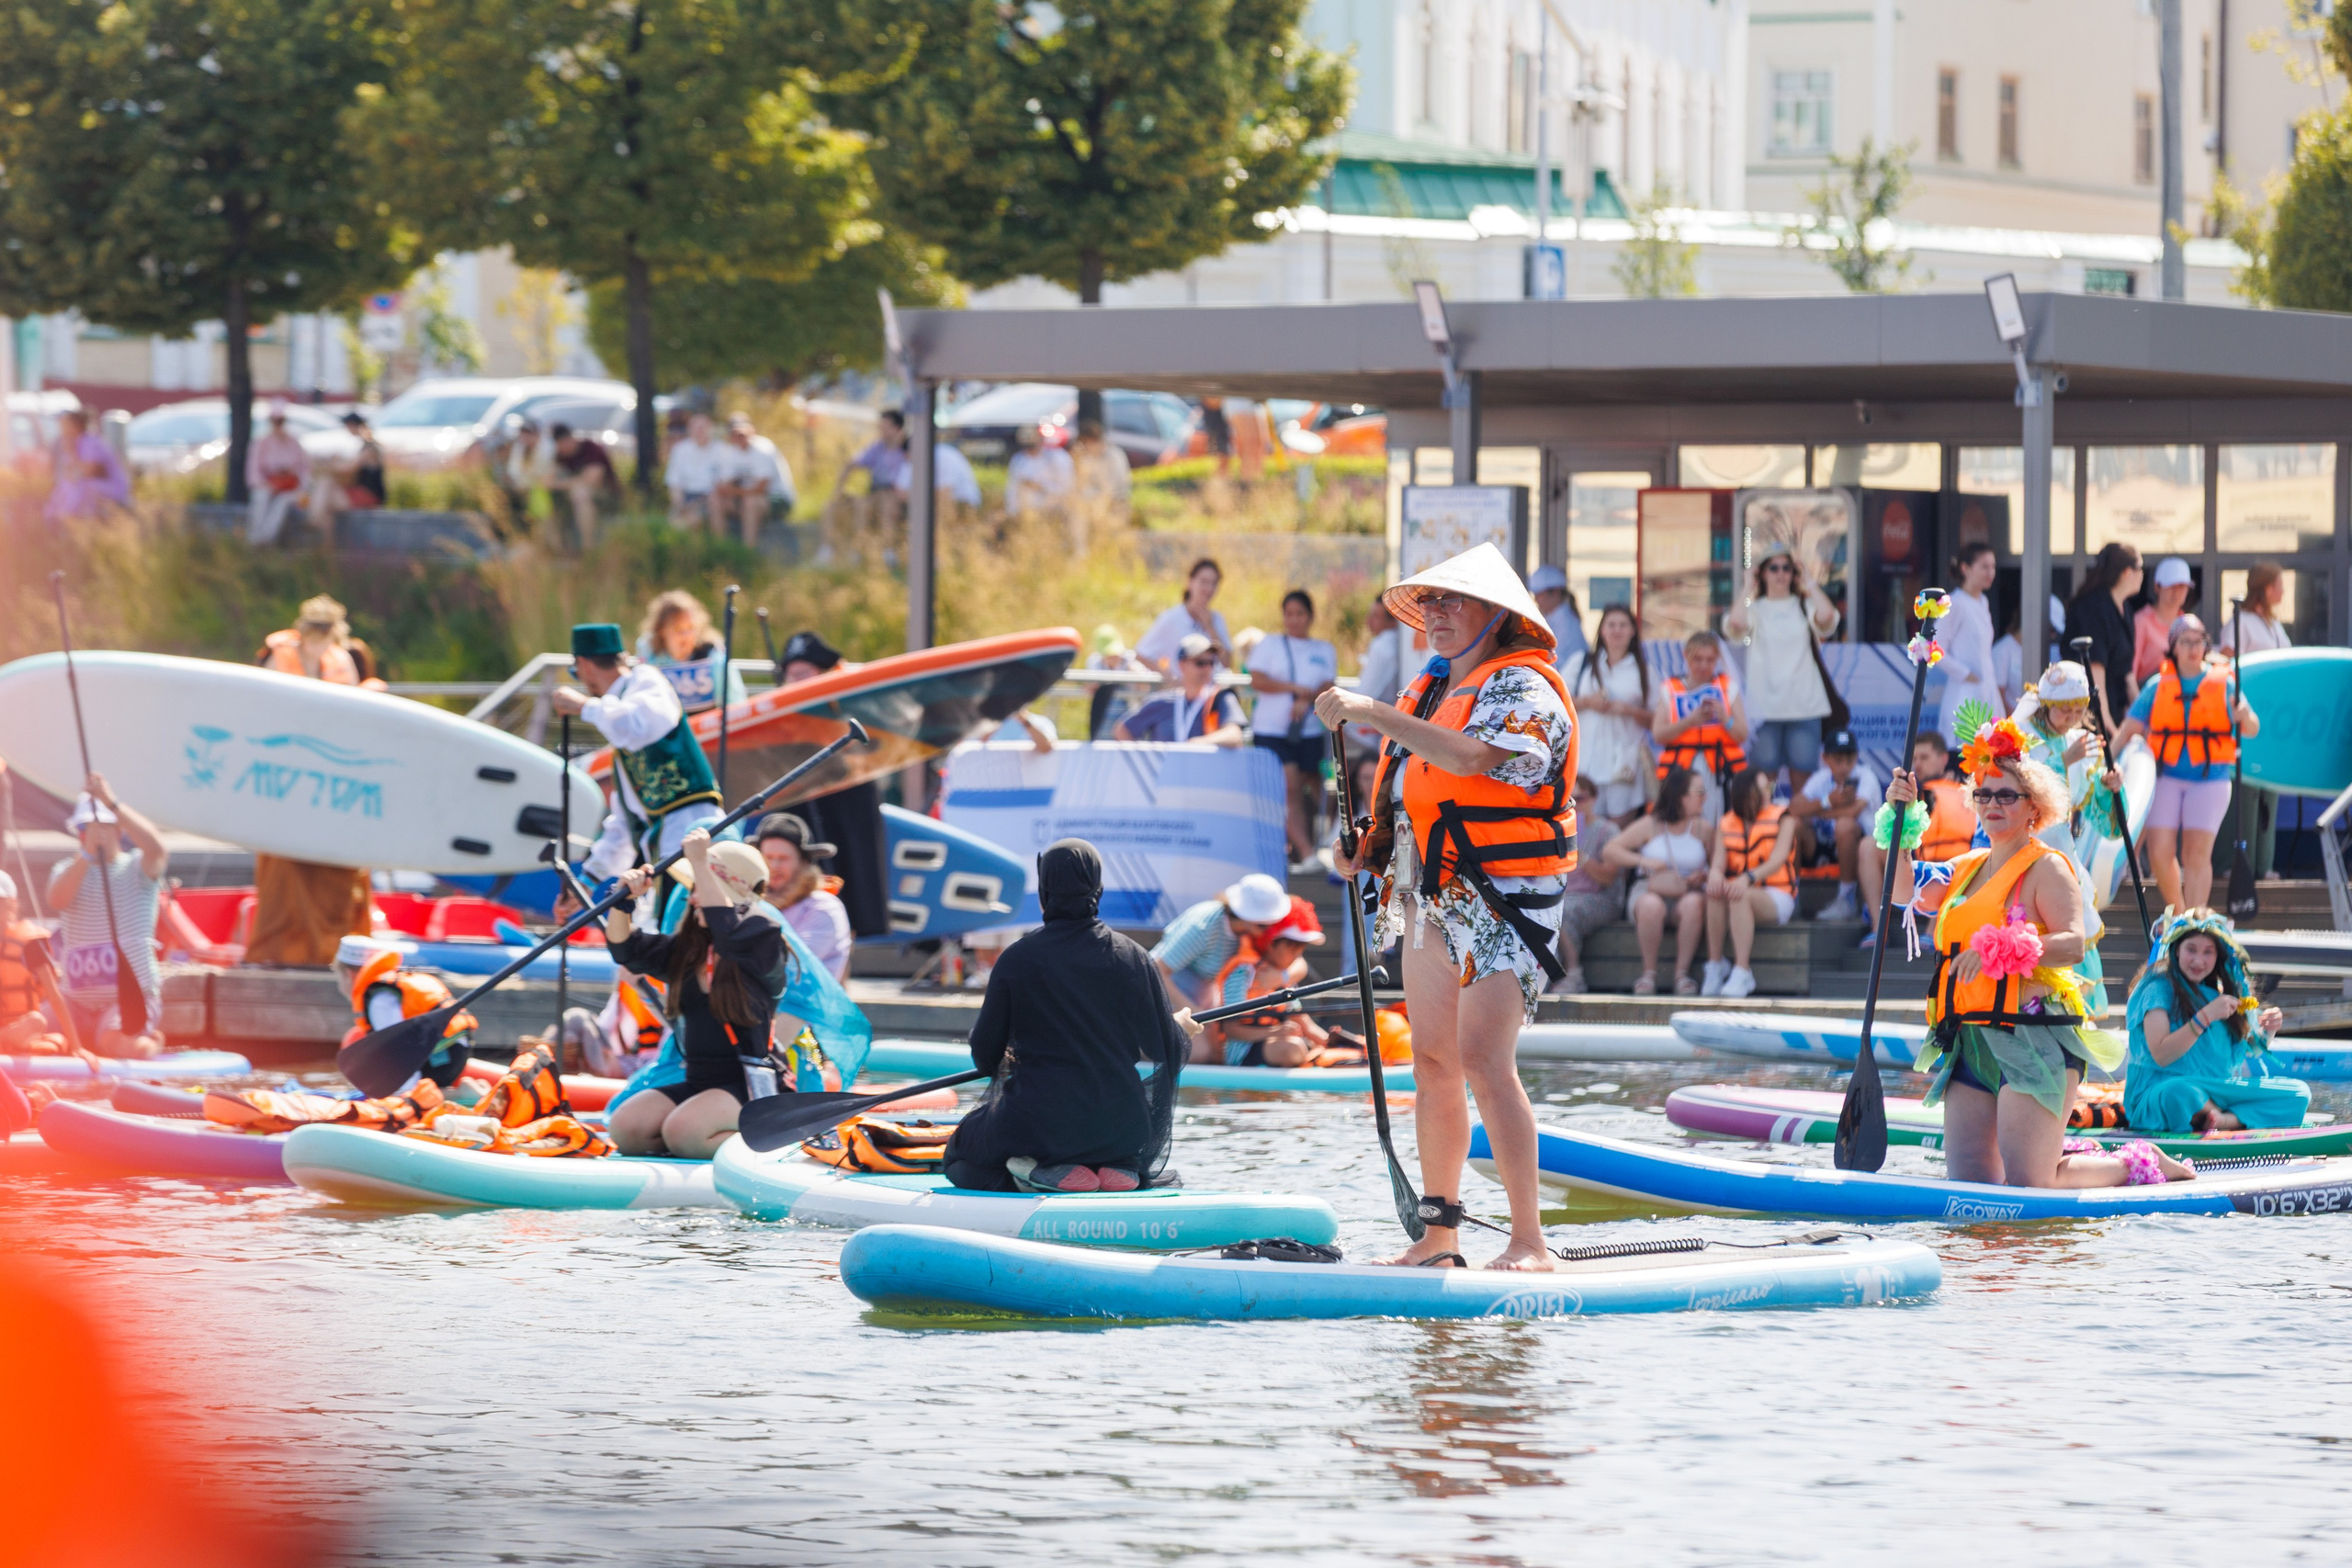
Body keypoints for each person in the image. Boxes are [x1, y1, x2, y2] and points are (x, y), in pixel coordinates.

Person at [1315, 541, 1575, 1270]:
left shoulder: (1525, 687)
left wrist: (1367, 712)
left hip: (1506, 899)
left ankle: (1530, 1241)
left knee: (1485, 1059)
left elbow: (1466, 759)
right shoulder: (1424, 689)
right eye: (1429, 602)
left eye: (1453, 600)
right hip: (1429, 896)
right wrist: (1364, 852)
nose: (1437, 613)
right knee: (1432, 1060)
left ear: (1496, 614)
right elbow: (1407, 797)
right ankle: (1440, 1233)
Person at [1883, 720, 2189, 1189]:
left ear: (2033, 806)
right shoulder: (1966, 867)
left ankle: (2136, 1162)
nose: (1992, 806)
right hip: (1973, 1040)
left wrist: (2000, 950)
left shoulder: (2047, 866)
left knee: (2031, 1183)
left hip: (2038, 1038)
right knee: (1973, 1189)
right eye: (1983, 795)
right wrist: (1902, 825)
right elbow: (1905, 891)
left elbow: (2073, 941)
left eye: (2006, 796)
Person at [943, 839, 1190, 1193]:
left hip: (1043, 1127)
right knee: (1096, 1132)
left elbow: (985, 1058)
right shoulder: (1133, 957)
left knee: (957, 1157)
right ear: (1098, 890)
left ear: (1044, 891)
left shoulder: (1018, 959)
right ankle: (1113, 1169)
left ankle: (1034, 1174)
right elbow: (1168, 1050)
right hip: (1124, 1129)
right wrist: (1179, 1028)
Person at [602, 832, 795, 1159]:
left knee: (683, 1131)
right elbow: (625, 949)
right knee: (626, 1128)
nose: (692, 898)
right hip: (699, 1081)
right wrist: (623, 902)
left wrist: (701, 863)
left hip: (749, 1086)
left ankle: (769, 1143)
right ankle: (694, 1145)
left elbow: (729, 930)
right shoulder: (689, 950)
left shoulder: (763, 940)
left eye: (699, 888)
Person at [245, 595, 383, 965]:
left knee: (336, 872)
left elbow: (355, 717)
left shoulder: (344, 662)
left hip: (332, 782)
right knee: (285, 870)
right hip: (286, 780)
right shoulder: (279, 658)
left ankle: (336, 951)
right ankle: (283, 950)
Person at [551, 623, 724, 915]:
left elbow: (639, 724)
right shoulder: (624, 751)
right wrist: (585, 882)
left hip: (697, 840)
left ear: (582, 665)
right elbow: (625, 823)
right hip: (667, 850)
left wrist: (585, 707)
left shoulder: (646, 681)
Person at [2111, 614, 2260, 914]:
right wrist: (2108, 764)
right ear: (2173, 647)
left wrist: (2245, 715)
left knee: (2196, 854)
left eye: (2199, 641)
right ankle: (2179, 915)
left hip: (2210, 779)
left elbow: (2253, 728)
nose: (2193, 648)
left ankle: (2194, 917)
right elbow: (2128, 730)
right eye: (2186, 642)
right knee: (2159, 853)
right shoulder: (2157, 686)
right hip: (2167, 777)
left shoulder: (2225, 685)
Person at [2124, 909, 2304, 1134]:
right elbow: (2162, 1054)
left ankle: (2223, 1120)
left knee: (2298, 1092)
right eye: (2191, 949)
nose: (2199, 960)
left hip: (2218, 1091)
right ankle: (2222, 1115)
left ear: (2218, 956)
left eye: (2208, 952)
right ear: (2177, 949)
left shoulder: (2219, 994)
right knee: (2180, 1092)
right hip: (2163, 1093)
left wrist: (2268, 1030)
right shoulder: (2156, 989)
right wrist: (2206, 1017)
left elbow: (2251, 1050)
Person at [2010, 660, 2116, 1009]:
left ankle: (2077, 1014)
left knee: (2072, 924)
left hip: (2061, 854)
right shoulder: (2020, 737)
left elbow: (2105, 821)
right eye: (2063, 710)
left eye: (2078, 710)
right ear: (2045, 704)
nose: (2071, 717)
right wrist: (2061, 763)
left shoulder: (2081, 743)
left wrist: (2109, 789)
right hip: (2021, 852)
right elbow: (2016, 793)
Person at [45, 775, 166, 1057]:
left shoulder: (137, 867)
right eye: (85, 830)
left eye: (100, 828)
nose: (93, 835)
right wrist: (86, 856)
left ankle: (149, 1043)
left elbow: (157, 850)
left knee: (114, 1043)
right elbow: (56, 899)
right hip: (74, 1001)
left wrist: (112, 803)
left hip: (127, 999)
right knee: (39, 1027)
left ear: (117, 829)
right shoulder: (67, 868)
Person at [1721, 540, 1839, 795]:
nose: (1781, 573)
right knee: (1764, 781)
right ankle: (1769, 833)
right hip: (1764, 709)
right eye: (1773, 568)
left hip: (1804, 706)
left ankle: (1798, 833)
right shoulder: (1756, 610)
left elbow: (1827, 617)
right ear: (1762, 573)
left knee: (1804, 785)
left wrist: (1809, 581)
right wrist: (1747, 587)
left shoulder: (1804, 605)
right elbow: (1735, 624)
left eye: (1787, 568)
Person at [1203, 897, 1359, 1068]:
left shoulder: (1282, 975)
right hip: (1241, 1052)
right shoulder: (1242, 973)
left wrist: (1330, 1041)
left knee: (1303, 1046)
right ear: (1270, 943)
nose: (1297, 956)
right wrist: (1275, 1032)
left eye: (1301, 950)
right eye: (1292, 949)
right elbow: (1230, 1029)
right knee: (1292, 1049)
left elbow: (1303, 1021)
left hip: (1277, 1043)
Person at [1247, 590, 1339, 868]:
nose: (1294, 619)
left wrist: (1306, 697)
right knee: (1290, 789)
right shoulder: (1270, 644)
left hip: (1309, 729)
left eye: (1300, 614)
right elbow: (1258, 680)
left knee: (1319, 787)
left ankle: (1334, 843)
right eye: (1289, 614)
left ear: (1310, 616)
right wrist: (1293, 689)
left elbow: (1327, 683)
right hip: (1274, 730)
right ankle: (1306, 852)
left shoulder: (1324, 649)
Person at [1605, 764, 1713, 996]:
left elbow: (1716, 866)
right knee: (1651, 905)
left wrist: (1702, 876)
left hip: (1687, 892)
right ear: (1681, 796)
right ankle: (1648, 974)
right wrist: (1644, 861)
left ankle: (1682, 975)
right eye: (1699, 792)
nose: (1704, 798)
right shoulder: (1651, 824)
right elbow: (1611, 850)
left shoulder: (1704, 829)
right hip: (1650, 888)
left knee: (1695, 904)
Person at [2219, 563, 2291, 883]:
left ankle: (2265, 865)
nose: (2284, 592)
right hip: (2245, 717)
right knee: (2245, 793)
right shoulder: (2240, 622)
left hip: (2275, 720)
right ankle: (2240, 863)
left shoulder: (2275, 625)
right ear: (2265, 587)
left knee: (2268, 791)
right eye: (2279, 584)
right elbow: (2226, 664)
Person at [1703, 766, 1800, 999]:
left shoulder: (1784, 818)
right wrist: (1715, 875)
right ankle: (1715, 965)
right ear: (1746, 792)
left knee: (1739, 893)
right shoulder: (1726, 823)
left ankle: (1742, 970)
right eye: (1762, 788)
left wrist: (1747, 879)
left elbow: (1777, 861)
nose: (1767, 792)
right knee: (1715, 891)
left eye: (1768, 787)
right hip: (1742, 890)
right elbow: (1718, 863)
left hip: (1778, 895)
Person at [334, 936, 477, 1089]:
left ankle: (450, 1095)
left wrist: (403, 1093)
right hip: (454, 1053)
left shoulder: (380, 999)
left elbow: (396, 1053)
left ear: (349, 974)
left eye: (338, 978)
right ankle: (461, 1090)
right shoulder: (395, 983)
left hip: (440, 1059)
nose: (339, 985)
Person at [1562, 604, 1653, 826]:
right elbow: (1557, 701)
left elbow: (1657, 719)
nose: (1617, 631)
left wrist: (1629, 710)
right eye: (1611, 625)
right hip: (1585, 764)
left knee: (1616, 833)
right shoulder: (1582, 663)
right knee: (1581, 831)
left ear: (1633, 631)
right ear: (1602, 630)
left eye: (1623, 625)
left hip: (1623, 766)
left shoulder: (1644, 670)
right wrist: (1587, 702)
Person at [1789, 728, 1883, 938]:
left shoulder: (1865, 775)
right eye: (1837, 759)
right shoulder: (1822, 778)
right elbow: (1794, 808)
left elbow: (1852, 812)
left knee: (1844, 825)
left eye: (1849, 759)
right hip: (1825, 845)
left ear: (1857, 757)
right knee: (1793, 825)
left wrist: (1817, 810)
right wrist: (1827, 801)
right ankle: (1791, 895)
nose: (1843, 766)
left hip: (1861, 847)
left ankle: (1846, 897)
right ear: (1825, 758)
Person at [1148, 872, 1289, 1010]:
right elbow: (1157, 970)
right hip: (1163, 1002)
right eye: (1263, 924)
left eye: (1274, 922)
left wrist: (1282, 976)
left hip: (1203, 1002)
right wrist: (1192, 1013)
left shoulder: (1254, 930)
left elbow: (1299, 961)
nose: (1271, 930)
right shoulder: (1203, 927)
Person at [1653, 629, 1747, 818]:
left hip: (1719, 769)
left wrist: (1725, 718)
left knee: (1717, 816)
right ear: (1686, 656)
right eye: (1697, 659)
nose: (1704, 665)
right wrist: (1690, 721)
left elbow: (1742, 734)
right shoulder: (1670, 689)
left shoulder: (1728, 688)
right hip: (1682, 768)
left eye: (1710, 660)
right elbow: (1658, 734)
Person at [754, 813, 852, 982]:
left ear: (803, 862)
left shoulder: (823, 906)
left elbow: (792, 965)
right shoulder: (752, 902)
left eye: (783, 859)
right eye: (768, 858)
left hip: (803, 1006)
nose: (774, 866)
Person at [1550, 775, 1624, 995]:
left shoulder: (1608, 831)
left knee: (1563, 912)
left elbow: (1608, 878)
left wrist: (1581, 857)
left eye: (1579, 798)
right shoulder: (1559, 828)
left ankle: (1573, 973)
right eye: (1568, 799)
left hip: (1602, 899)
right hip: (1566, 895)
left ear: (1593, 798)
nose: (1574, 804)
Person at [2065, 541, 2144, 739]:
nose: (2143, 575)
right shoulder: (2094, 607)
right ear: (2127, 572)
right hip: (2087, 713)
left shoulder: (2125, 610)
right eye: (2140, 569)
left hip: (2116, 711)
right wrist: (2105, 721)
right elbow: (2095, 667)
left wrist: (2143, 717)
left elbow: (2127, 673)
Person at [1114, 634, 1246, 745]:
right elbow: (1122, 730)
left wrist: (1196, 744)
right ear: (1182, 665)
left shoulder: (1220, 698)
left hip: (1204, 773)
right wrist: (1143, 761)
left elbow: (1234, 735)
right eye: (1200, 663)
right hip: (1167, 774)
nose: (1208, 668)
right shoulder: (1161, 702)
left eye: (1212, 663)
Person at [636, 589, 749, 716]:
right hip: (667, 731)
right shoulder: (650, 654)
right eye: (678, 629)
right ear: (662, 630)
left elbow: (735, 704)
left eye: (691, 628)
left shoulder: (713, 656)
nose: (686, 636)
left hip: (706, 730)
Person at [0, 872, 74, 1055]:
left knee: (37, 1021)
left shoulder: (29, 944)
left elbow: (55, 997)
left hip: (24, 1027)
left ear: (12, 905)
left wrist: (78, 1047)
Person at [1937, 542, 2002, 746]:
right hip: (1964, 694)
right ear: (1965, 568)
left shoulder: (1983, 602)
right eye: (1984, 566)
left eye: (1993, 567)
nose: (1990, 572)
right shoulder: (1954, 603)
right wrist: (1965, 674)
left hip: (1986, 692)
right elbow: (1934, 649)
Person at [1136, 558, 1234, 672]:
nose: (1209, 589)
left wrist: (1210, 627)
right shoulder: (1172, 618)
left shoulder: (1217, 619)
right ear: (1190, 582)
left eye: (1213, 583)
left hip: (1210, 689)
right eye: (1204, 582)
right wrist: (1170, 679)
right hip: (1183, 689)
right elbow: (1142, 654)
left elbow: (1227, 662)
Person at [716, 412, 796, 546]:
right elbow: (725, 484)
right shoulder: (731, 452)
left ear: (752, 430)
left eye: (742, 433)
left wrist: (731, 492)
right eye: (735, 434)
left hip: (778, 498)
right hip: (746, 497)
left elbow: (760, 488)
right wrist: (728, 495)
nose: (740, 437)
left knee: (750, 502)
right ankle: (721, 548)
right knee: (715, 500)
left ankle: (748, 551)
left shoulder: (763, 448)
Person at [41, 408, 130, 525]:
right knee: (64, 488)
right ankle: (57, 522)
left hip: (112, 488)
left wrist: (72, 455)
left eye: (64, 424)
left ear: (74, 426)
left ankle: (70, 523)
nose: (61, 428)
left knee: (81, 489)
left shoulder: (90, 442)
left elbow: (92, 471)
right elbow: (69, 474)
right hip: (92, 485)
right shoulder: (72, 442)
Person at [1349, 596, 1413, 756]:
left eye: (1376, 616)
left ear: (1392, 620)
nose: (1369, 621)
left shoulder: (1382, 645)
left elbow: (1364, 694)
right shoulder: (1399, 642)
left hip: (1381, 729)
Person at [1908, 731, 1979, 865]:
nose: (1917, 765)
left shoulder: (1971, 789)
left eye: (1924, 758)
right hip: (1928, 867)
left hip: (1962, 866)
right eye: (1914, 759)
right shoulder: (1912, 794)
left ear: (1944, 759)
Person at [244, 404, 311, 545]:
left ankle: (265, 541)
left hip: (290, 489)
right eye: (275, 421)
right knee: (261, 497)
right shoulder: (262, 443)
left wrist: (293, 478)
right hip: (269, 486)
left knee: (282, 502)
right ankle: (255, 539)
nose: (277, 425)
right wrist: (268, 484)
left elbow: (304, 471)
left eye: (280, 421)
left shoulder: (294, 443)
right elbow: (253, 473)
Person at [306, 412, 386, 525]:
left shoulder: (369, 449)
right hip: (361, 492)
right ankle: (319, 527)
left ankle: (314, 520)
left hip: (369, 495)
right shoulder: (365, 447)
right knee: (326, 488)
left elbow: (349, 470)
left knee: (326, 489)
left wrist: (328, 466)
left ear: (353, 426)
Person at [551, 422, 620, 549]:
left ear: (570, 438)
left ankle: (588, 546)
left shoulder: (591, 449)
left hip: (606, 495)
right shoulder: (561, 456)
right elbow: (550, 478)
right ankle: (556, 548)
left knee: (580, 493)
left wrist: (560, 484)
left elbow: (592, 481)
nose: (562, 447)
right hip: (574, 499)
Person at [2132, 557, 2197, 685]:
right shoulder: (2141, 621)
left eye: (2182, 586)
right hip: (2150, 699)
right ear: (2157, 587)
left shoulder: (2191, 624)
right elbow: (2130, 673)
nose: (2177, 592)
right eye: (2171, 586)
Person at [1068, 418, 1132, 544]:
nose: (1083, 448)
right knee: (1076, 510)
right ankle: (1081, 552)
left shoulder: (1114, 456)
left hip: (1115, 504)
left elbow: (1115, 489)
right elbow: (1078, 486)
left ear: (1093, 441)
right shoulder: (1088, 459)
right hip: (1092, 503)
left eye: (1085, 444)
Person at [663, 412, 725, 530]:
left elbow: (724, 482)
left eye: (703, 427)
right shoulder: (680, 450)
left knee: (693, 520)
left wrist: (698, 504)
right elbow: (674, 483)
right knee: (676, 525)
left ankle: (719, 545)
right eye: (696, 427)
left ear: (710, 428)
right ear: (689, 429)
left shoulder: (721, 450)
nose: (700, 431)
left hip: (710, 498)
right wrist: (680, 505)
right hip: (686, 496)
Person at [1005, 423, 1075, 519]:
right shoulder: (1018, 459)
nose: (1030, 450)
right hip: (1027, 512)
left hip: (1055, 509)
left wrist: (1040, 486)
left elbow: (1067, 487)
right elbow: (1012, 489)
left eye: (1032, 445)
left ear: (1041, 439)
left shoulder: (1058, 457)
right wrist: (1013, 512)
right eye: (1027, 446)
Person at [1527, 564, 1588, 668]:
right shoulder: (1552, 618)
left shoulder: (1566, 623)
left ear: (1556, 591)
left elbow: (1558, 662)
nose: (1536, 600)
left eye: (1540, 594)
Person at [842, 409, 912, 494]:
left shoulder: (907, 450)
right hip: (876, 493)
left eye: (884, 427)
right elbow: (853, 463)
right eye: (880, 427)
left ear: (896, 428)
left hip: (896, 496)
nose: (880, 430)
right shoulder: (877, 447)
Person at [503, 418, 557, 523]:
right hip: (529, 489)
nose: (525, 437)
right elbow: (513, 471)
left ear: (536, 433)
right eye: (523, 433)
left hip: (546, 490)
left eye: (528, 433)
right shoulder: (520, 447)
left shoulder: (548, 447)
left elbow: (545, 474)